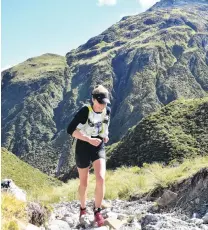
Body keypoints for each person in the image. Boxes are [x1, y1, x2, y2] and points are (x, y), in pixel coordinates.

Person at [67, 85, 111, 227]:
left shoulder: (107, 110)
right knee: (84, 182)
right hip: (83, 146)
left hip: (98, 145)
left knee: (101, 177)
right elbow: (70, 130)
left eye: (104, 102)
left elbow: (105, 125)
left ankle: (97, 211)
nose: (102, 105)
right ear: (93, 99)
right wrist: (88, 139)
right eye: (99, 102)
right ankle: (83, 208)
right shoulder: (85, 111)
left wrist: (105, 136)